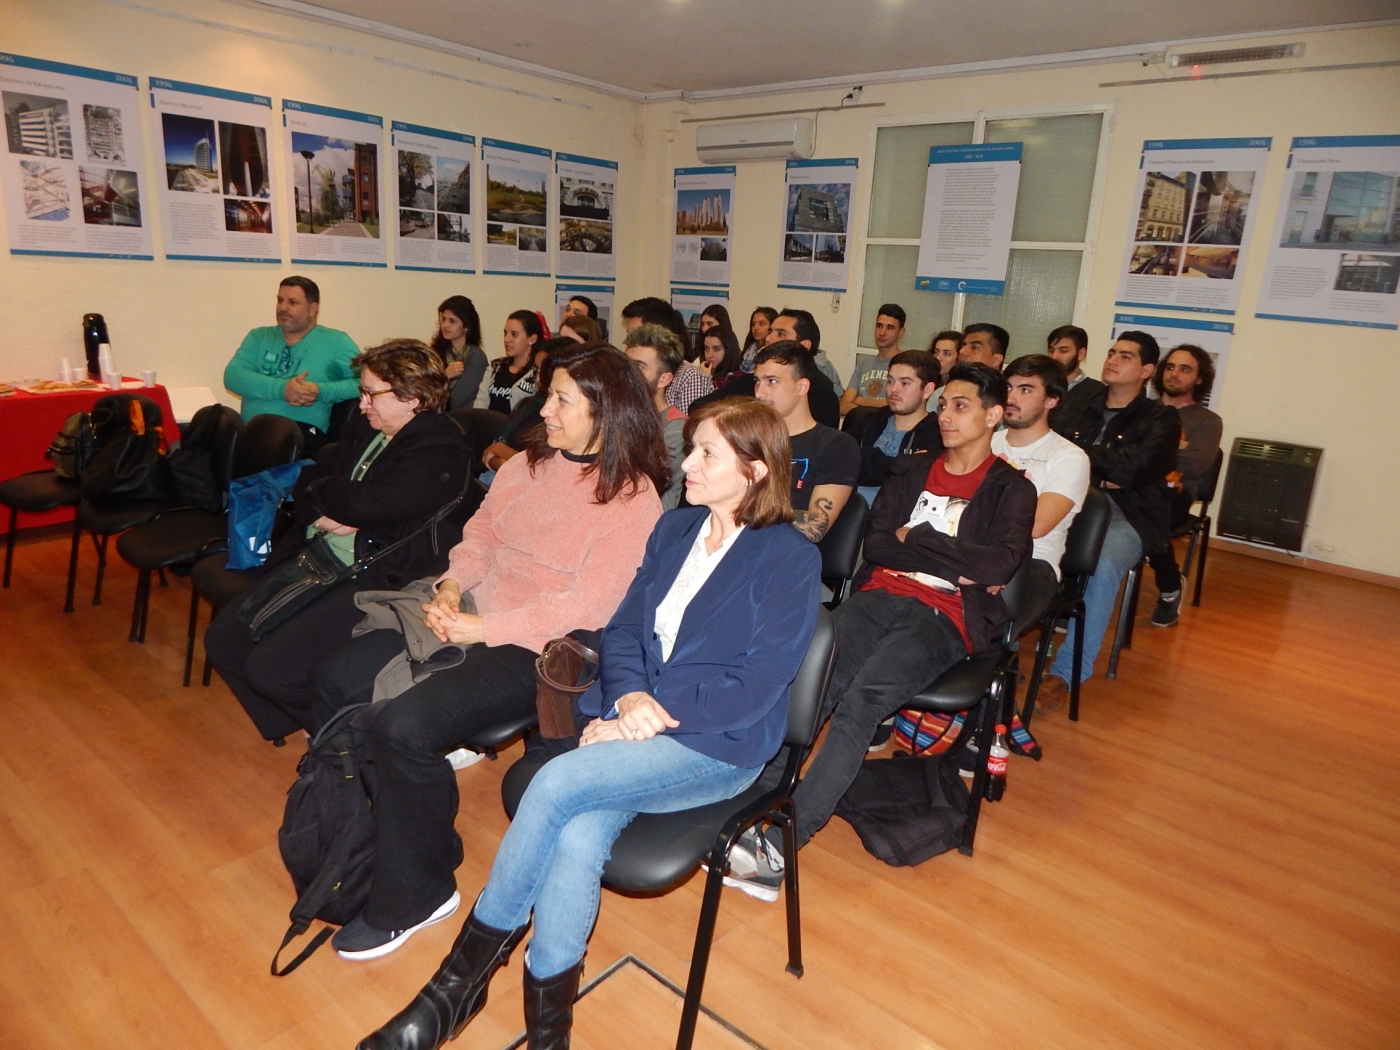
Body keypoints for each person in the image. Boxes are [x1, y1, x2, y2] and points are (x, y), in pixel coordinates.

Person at [354, 397, 819, 1050]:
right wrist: (626, 700)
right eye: (693, 446)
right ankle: (551, 1038)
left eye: (708, 452)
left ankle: (453, 990)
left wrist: (645, 720)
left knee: (553, 786)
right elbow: (624, 626)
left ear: (757, 470)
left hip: (716, 742)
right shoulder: (674, 530)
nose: (689, 462)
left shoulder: (788, 559)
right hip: (635, 717)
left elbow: (756, 686)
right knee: (574, 839)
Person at [311, 343, 667, 962]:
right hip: (470, 613)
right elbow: (480, 535)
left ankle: (418, 893)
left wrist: (484, 627)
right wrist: (453, 582)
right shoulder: (528, 465)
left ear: (604, 413)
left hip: (536, 646)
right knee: (335, 679)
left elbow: (590, 606)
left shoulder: (632, 499)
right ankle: (397, 838)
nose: (545, 409)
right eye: (549, 394)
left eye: (560, 399)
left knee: (402, 727)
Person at [721, 363, 1035, 900]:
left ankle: (781, 841)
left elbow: (998, 566)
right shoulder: (912, 471)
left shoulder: (1011, 488)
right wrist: (943, 553)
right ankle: (751, 799)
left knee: (863, 703)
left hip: (945, 615)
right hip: (880, 595)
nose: (947, 416)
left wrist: (924, 535)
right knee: (810, 687)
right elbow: (882, 544)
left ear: (994, 415)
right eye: (944, 406)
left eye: (961, 406)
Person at [205, 340, 469, 742]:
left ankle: (350, 747)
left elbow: (370, 503)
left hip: (373, 576)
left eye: (370, 394)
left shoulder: (440, 444)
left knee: (270, 669)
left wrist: (348, 505)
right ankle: (298, 726)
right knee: (224, 639)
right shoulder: (368, 426)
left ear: (411, 397)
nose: (361, 404)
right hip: (322, 556)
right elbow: (312, 479)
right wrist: (342, 504)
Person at [1040, 331, 1181, 708]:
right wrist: (1105, 465)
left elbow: (1135, 470)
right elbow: (1050, 447)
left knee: (1101, 564)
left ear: (1147, 370)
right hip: (1069, 500)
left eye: (1126, 356)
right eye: (1112, 352)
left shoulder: (1161, 418)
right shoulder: (1079, 402)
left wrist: (1083, 458)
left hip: (1127, 513)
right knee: (1019, 537)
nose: (1113, 360)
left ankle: (1065, 673)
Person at [992, 355, 1091, 636]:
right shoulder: (983, 441)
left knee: (980, 623)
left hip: (1033, 562)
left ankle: (989, 671)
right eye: (1008, 387)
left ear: (1052, 400)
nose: (1011, 397)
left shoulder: (1068, 457)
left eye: (1025, 389)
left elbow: (1035, 526)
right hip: (973, 549)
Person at [223, 275, 360, 443]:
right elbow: (233, 376)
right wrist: (283, 389)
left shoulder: (336, 342)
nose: (283, 308)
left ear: (312, 309)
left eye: (292, 303)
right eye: (280, 300)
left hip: (301, 440)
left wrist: (321, 391)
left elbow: (364, 383)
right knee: (217, 422)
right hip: (251, 436)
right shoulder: (259, 337)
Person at [753, 341, 859, 543]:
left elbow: (815, 527)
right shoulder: (748, 439)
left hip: (788, 556)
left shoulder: (836, 446)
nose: (760, 393)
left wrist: (741, 513)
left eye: (772, 381)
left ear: (802, 386)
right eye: (757, 381)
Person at [1147, 344, 1222, 627]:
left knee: (1148, 516)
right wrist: (1177, 445)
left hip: (1176, 494)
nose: (1174, 374)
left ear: (1199, 379)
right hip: (1133, 486)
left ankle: (1170, 590)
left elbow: (1193, 464)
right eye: (1170, 367)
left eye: (1185, 369)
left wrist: (1153, 448)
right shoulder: (1143, 410)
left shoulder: (1208, 421)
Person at [848, 349, 942, 507]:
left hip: (891, 518)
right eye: (890, 381)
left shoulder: (937, 433)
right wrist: (899, 464)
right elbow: (846, 463)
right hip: (847, 510)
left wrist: (871, 459)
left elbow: (914, 484)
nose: (894, 389)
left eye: (905, 383)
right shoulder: (866, 420)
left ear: (927, 390)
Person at [477, 337, 573, 479]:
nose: (538, 378)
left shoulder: (560, 416)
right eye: (536, 369)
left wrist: (501, 452)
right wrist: (499, 454)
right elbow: (491, 453)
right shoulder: (528, 403)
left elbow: (539, 470)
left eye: (543, 370)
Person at [623, 324, 689, 510]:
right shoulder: (620, 417)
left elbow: (639, 485)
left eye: (640, 367)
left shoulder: (677, 429)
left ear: (664, 379)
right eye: (627, 365)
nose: (628, 374)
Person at [620, 297, 709, 413]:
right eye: (630, 334)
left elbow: (689, 427)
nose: (632, 339)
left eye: (637, 332)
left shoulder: (690, 377)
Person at [841, 303, 906, 415]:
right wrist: (879, 406)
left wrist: (862, 401)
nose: (882, 333)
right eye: (879, 326)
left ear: (900, 332)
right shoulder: (864, 364)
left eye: (890, 328)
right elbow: (843, 407)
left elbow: (901, 405)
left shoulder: (907, 364)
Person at [476, 310, 542, 414]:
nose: (506, 339)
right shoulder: (495, 367)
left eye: (514, 334)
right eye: (505, 333)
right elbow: (480, 402)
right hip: (488, 427)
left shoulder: (538, 373)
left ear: (532, 339)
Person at [431, 295, 488, 411]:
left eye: (452, 321)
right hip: (435, 413)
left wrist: (441, 378)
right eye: (443, 319)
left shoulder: (476, 357)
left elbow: (457, 399)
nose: (445, 325)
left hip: (461, 418)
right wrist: (445, 375)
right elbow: (422, 388)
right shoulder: (435, 352)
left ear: (466, 326)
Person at [1045, 324, 1104, 428]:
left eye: (1063, 351)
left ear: (1080, 353)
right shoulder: (1041, 385)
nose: (1054, 357)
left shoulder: (1096, 392)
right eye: (1051, 351)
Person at [772, 308, 842, 388]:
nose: (768, 338)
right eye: (770, 332)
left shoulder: (820, 383)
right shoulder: (759, 369)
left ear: (804, 345)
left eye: (781, 334)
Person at [925, 328, 962, 412]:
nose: (938, 358)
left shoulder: (962, 388)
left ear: (960, 357)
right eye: (936, 352)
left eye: (947, 353)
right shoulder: (925, 382)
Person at [698, 324, 744, 388]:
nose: (709, 355)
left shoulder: (736, 379)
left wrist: (705, 379)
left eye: (716, 349)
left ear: (728, 350)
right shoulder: (705, 371)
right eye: (706, 349)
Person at [742, 306, 779, 371]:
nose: (756, 328)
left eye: (762, 324)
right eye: (753, 324)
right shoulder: (750, 348)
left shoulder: (774, 352)